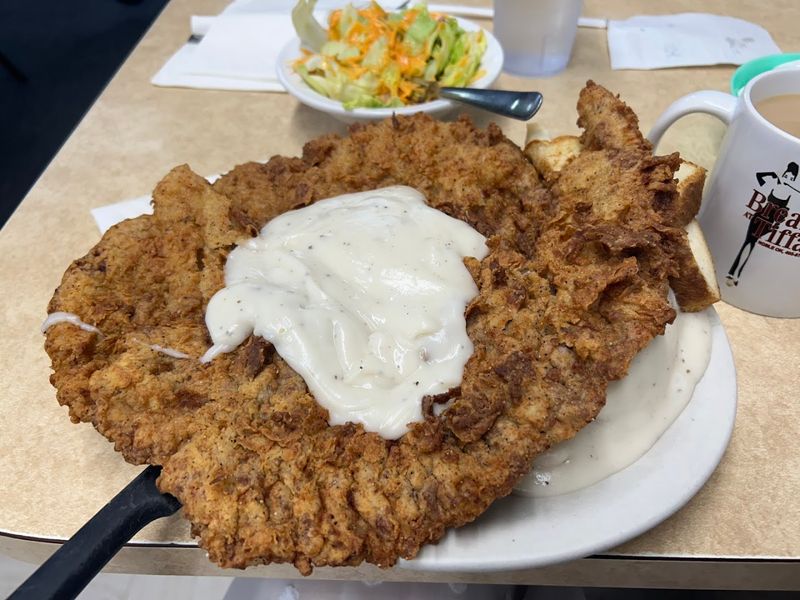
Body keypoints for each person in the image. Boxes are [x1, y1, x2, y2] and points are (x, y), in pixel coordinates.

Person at [726, 161, 798, 285]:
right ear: (783, 175)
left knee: (752, 244)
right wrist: (773, 175)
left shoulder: (791, 192)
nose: (787, 180)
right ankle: (733, 273)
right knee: (747, 242)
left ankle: (736, 274)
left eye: (791, 178)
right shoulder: (775, 183)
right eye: (786, 176)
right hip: (758, 217)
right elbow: (759, 176)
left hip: (769, 222)